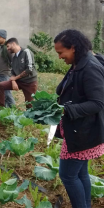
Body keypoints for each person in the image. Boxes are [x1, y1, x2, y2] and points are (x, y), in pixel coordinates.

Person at [54, 29, 104, 208]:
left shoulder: (90, 67)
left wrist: (67, 110)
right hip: (78, 130)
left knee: (68, 175)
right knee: (80, 173)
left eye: (61, 52)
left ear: (73, 48)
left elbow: (98, 103)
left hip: (83, 133)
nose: (60, 56)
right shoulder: (78, 63)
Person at [0, 38, 38, 109]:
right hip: (19, 81)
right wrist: (13, 81)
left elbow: (29, 69)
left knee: (29, 104)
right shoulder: (14, 57)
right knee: (0, 86)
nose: (7, 49)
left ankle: (31, 118)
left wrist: (15, 78)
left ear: (13, 44)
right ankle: (1, 109)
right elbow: (12, 71)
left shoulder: (26, 52)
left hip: (29, 83)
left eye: (8, 46)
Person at [0, 29, 15, 107]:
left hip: (5, 74)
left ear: (4, 38)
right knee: (3, 92)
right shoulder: (0, 47)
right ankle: (6, 108)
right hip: (0, 73)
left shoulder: (7, 48)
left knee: (7, 93)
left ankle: (13, 107)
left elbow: (13, 61)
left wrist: (12, 73)